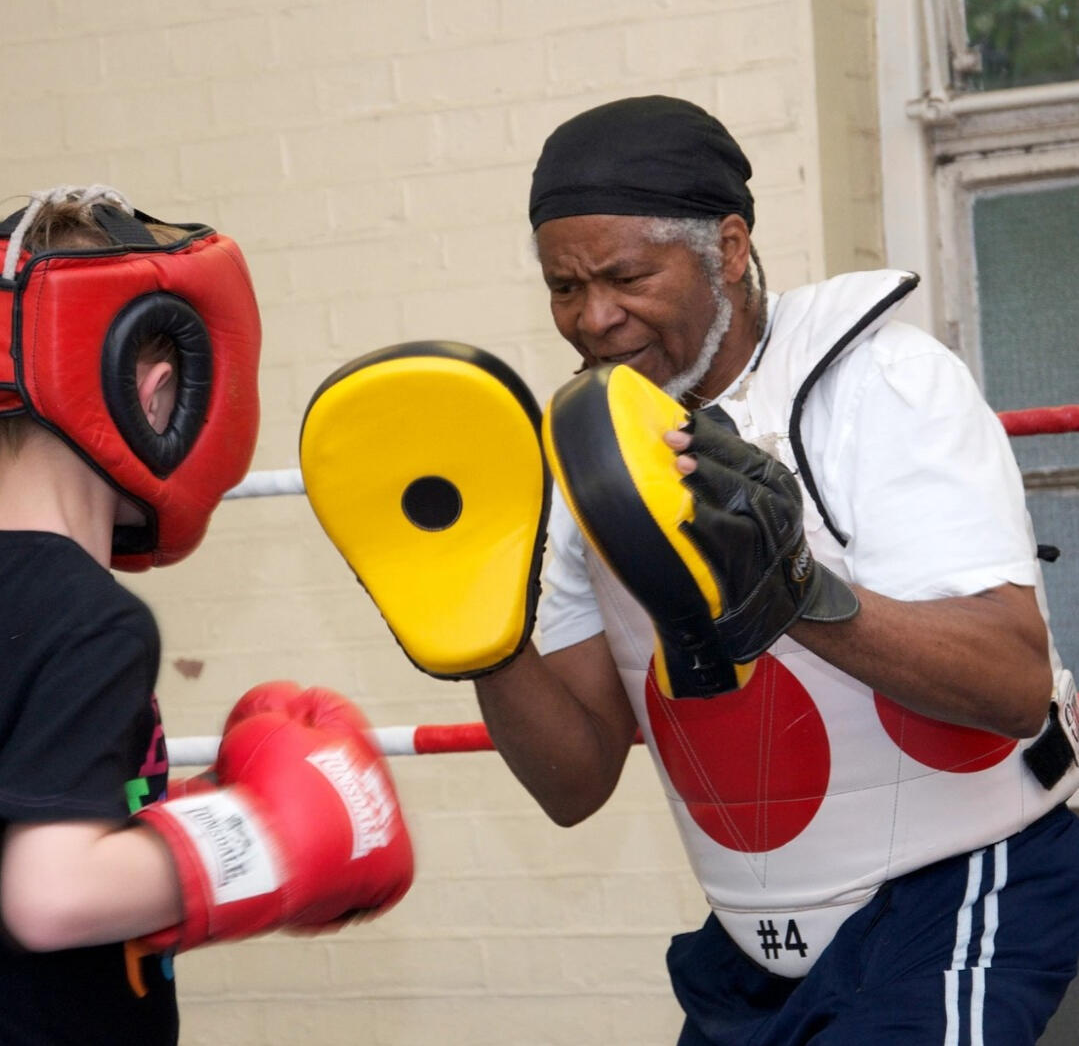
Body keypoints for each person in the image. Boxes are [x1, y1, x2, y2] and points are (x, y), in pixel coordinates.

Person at [471, 96, 1079, 1043]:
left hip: (963, 892)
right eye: (563, 287)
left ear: (727, 247)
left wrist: (788, 589)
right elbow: (574, 781)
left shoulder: (879, 383)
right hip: (753, 952)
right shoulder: (591, 460)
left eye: (627, 276)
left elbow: (1009, 685)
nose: (594, 318)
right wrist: (479, 634)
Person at [0, 186, 414, 1046]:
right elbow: (50, 895)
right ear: (154, 396)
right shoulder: (91, 619)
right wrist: (261, 836)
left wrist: (180, 814)